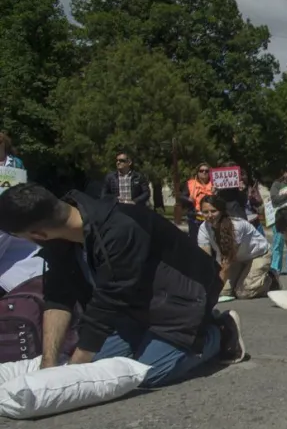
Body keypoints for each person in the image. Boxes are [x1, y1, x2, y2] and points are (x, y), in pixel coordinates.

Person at [0, 183, 246, 387]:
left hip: (185, 302)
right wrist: (49, 367)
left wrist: (71, 377)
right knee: (101, 370)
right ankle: (153, 338)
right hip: (138, 307)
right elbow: (57, 295)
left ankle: (220, 333)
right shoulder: (59, 234)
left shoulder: (120, 229)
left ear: (38, 234)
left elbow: (108, 302)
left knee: (145, 375)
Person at [197, 195, 273, 299]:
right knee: (224, 292)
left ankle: (271, 281)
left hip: (258, 255)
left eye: (213, 211)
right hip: (237, 260)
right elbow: (205, 259)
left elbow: (227, 263)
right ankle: (242, 276)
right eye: (205, 212)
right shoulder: (203, 228)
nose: (210, 215)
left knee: (243, 293)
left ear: (222, 211)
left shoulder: (236, 226)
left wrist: (213, 290)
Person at [269, 164, 287, 275]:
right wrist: (286, 195)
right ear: (283, 172)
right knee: (278, 243)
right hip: (279, 217)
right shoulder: (276, 184)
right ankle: (275, 267)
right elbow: (274, 200)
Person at [178, 162, 214, 241]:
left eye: (206, 171)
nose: (204, 172)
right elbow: (181, 197)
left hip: (211, 217)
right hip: (195, 217)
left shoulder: (214, 184)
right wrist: (188, 199)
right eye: (201, 171)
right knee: (195, 240)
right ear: (197, 172)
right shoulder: (190, 184)